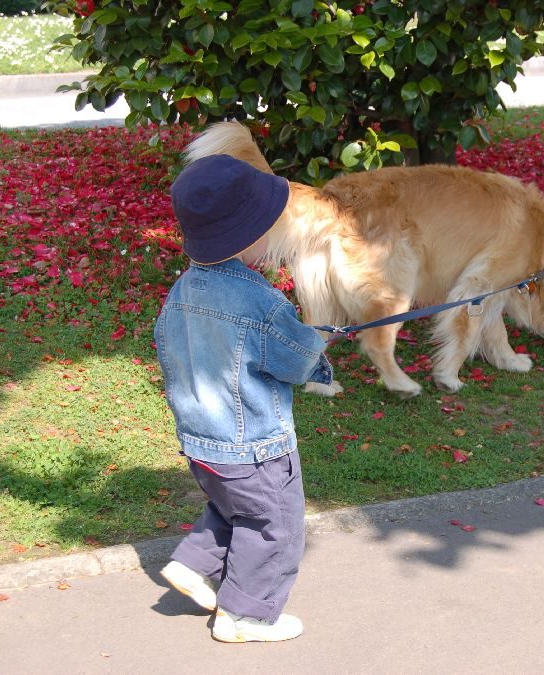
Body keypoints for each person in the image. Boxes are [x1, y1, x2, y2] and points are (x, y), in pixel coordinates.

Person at [154, 154, 334, 643]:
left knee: (233, 508)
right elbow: (294, 364)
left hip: (200, 441)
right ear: (247, 235)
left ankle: (191, 565)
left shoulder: (183, 289)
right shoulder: (261, 301)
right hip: (255, 446)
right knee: (273, 525)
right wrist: (316, 340)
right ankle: (245, 617)